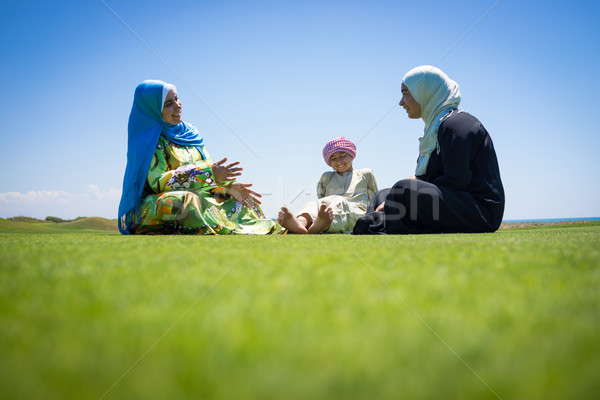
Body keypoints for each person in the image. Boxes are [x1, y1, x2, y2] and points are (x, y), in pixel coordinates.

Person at [353, 66, 504, 234]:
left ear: (425, 92)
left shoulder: (456, 124)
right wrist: (417, 180)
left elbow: (457, 181)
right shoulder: (434, 129)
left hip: (480, 212)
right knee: (382, 194)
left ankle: (376, 223)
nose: (401, 102)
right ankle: (377, 222)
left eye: (406, 93)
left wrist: (416, 183)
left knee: (404, 189)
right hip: (454, 203)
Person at [118, 79, 280, 235]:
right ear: (153, 109)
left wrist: (227, 188)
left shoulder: (190, 133)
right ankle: (205, 225)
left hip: (201, 196)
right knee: (183, 202)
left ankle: (208, 226)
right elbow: (158, 183)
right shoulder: (150, 139)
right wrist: (209, 174)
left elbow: (208, 178)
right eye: (169, 104)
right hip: (159, 201)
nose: (178, 106)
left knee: (238, 200)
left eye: (176, 99)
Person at [278, 137, 378, 234]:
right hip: (331, 211)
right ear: (329, 162)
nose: (339, 161)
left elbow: (375, 198)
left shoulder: (365, 174)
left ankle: (322, 225)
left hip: (356, 214)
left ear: (351, 155)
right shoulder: (327, 177)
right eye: (333, 158)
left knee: (339, 200)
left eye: (343, 155)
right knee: (312, 204)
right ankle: (300, 223)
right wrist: (321, 213)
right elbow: (322, 201)